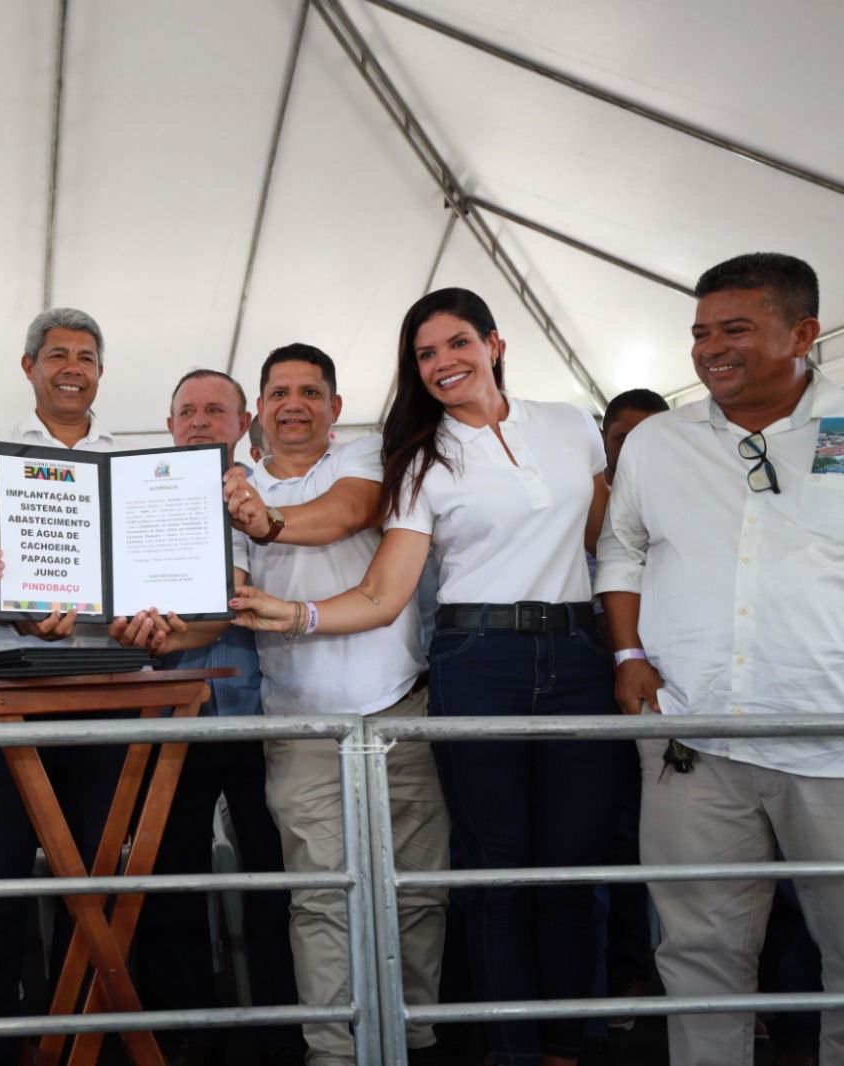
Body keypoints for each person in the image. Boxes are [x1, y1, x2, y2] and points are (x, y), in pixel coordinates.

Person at [228, 289, 634, 1066]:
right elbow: (383, 592)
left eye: (457, 343)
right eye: (426, 353)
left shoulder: (568, 426)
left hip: (570, 656)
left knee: (573, 869)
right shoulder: (416, 457)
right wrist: (298, 614)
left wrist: (628, 652)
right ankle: (490, 1049)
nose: (444, 362)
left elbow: (611, 545)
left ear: (494, 343)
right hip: (471, 661)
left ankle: (559, 1045)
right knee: (493, 871)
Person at [118, 351, 448, 1065]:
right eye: (280, 393)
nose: (293, 404)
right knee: (321, 899)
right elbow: (219, 606)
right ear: (259, 412)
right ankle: (331, 1051)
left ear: (335, 404)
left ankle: (414, 1040)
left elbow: (343, 516)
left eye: (309, 392)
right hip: (298, 725)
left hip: (399, 711)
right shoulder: (233, 495)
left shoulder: (366, 457)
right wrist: (157, 631)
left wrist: (264, 520)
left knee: (417, 893)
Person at [597, 252, 844, 1066]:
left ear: (803, 333)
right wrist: (628, 651)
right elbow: (621, 551)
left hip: (832, 741)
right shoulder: (658, 443)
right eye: (701, 333)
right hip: (692, 740)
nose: (710, 349)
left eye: (735, 329)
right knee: (698, 958)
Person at [0, 307, 126, 1064]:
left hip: (105, 689)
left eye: (86, 356)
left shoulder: (125, 460)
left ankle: (87, 1040)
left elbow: (141, 577)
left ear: (99, 371)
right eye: (57, 354)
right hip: (11, 692)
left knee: (96, 877)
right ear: (28, 367)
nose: (72, 367)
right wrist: (22, 618)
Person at [130, 368, 302, 1065]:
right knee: (171, 880)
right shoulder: (136, 499)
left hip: (265, 719)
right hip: (168, 717)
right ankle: (182, 1031)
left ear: (243, 423)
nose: (199, 422)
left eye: (215, 410)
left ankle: (281, 1027)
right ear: (169, 425)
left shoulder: (280, 494)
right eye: (187, 411)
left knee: (272, 881)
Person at [600, 388, 669, 486]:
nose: (640, 451)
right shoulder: (580, 496)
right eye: (625, 440)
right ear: (602, 438)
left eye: (652, 441)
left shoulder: (680, 492)